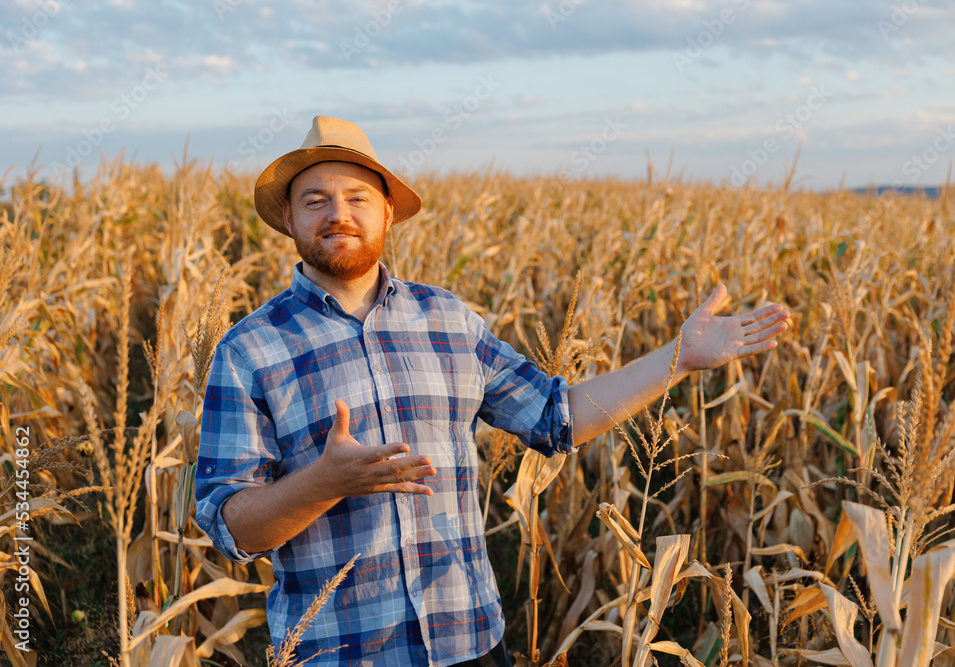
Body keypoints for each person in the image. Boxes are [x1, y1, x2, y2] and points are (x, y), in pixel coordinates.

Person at [194, 116, 790, 666]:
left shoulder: (448, 321)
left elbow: (560, 416)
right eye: (315, 200)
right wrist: (325, 483)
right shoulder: (249, 352)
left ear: (388, 214)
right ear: (291, 222)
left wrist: (679, 358)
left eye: (357, 198)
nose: (338, 214)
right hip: (339, 652)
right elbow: (231, 526)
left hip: (469, 642)